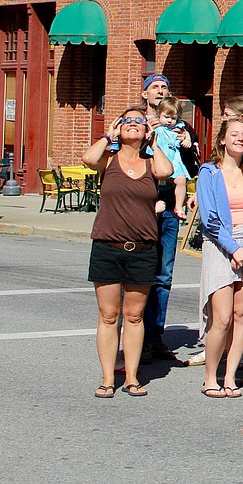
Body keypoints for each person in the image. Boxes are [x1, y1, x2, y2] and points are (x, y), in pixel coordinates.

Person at [84, 107, 174, 397]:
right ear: (119, 128)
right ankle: (108, 378)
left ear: (146, 130)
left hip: (143, 248)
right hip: (107, 246)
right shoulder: (108, 159)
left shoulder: (151, 162)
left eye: (139, 121)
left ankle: (132, 377)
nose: (133, 124)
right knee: (109, 315)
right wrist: (107, 135)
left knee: (134, 316)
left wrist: (154, 142)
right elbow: (88, 159)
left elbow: (167, 171)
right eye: (127, 121)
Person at [196, 116, 243, 399]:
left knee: (242, 315)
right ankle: (210, 377)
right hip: (220, 245)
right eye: (234, 134)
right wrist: (233, 247)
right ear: (223, 140)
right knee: (223, 317)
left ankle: (230, 377)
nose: (240, 138)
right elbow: (210, 217)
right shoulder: (209, 173)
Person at [140, 74, 198, 363]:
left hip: (170, 205)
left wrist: (189, 143)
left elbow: (191, 165)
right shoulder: (137, 122)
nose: (160, 91)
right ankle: (139, 334)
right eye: (155, 88)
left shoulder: (179, 127)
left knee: (163, 276)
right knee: (140, 275)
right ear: (145, 94)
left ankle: (156, 336)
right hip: (143, 207)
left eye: (164, 87)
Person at [151, 97, 190, 221]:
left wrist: (187, 140)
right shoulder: (156, 128)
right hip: (160, 158)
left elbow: (186, 135)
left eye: (173, 118)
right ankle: (153, 203)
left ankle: (178, 207)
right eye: (166, 117)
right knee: (154, 181)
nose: (169, 121)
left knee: (181, 180)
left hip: (174, 160)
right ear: (159, 114)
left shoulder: (179, 128)